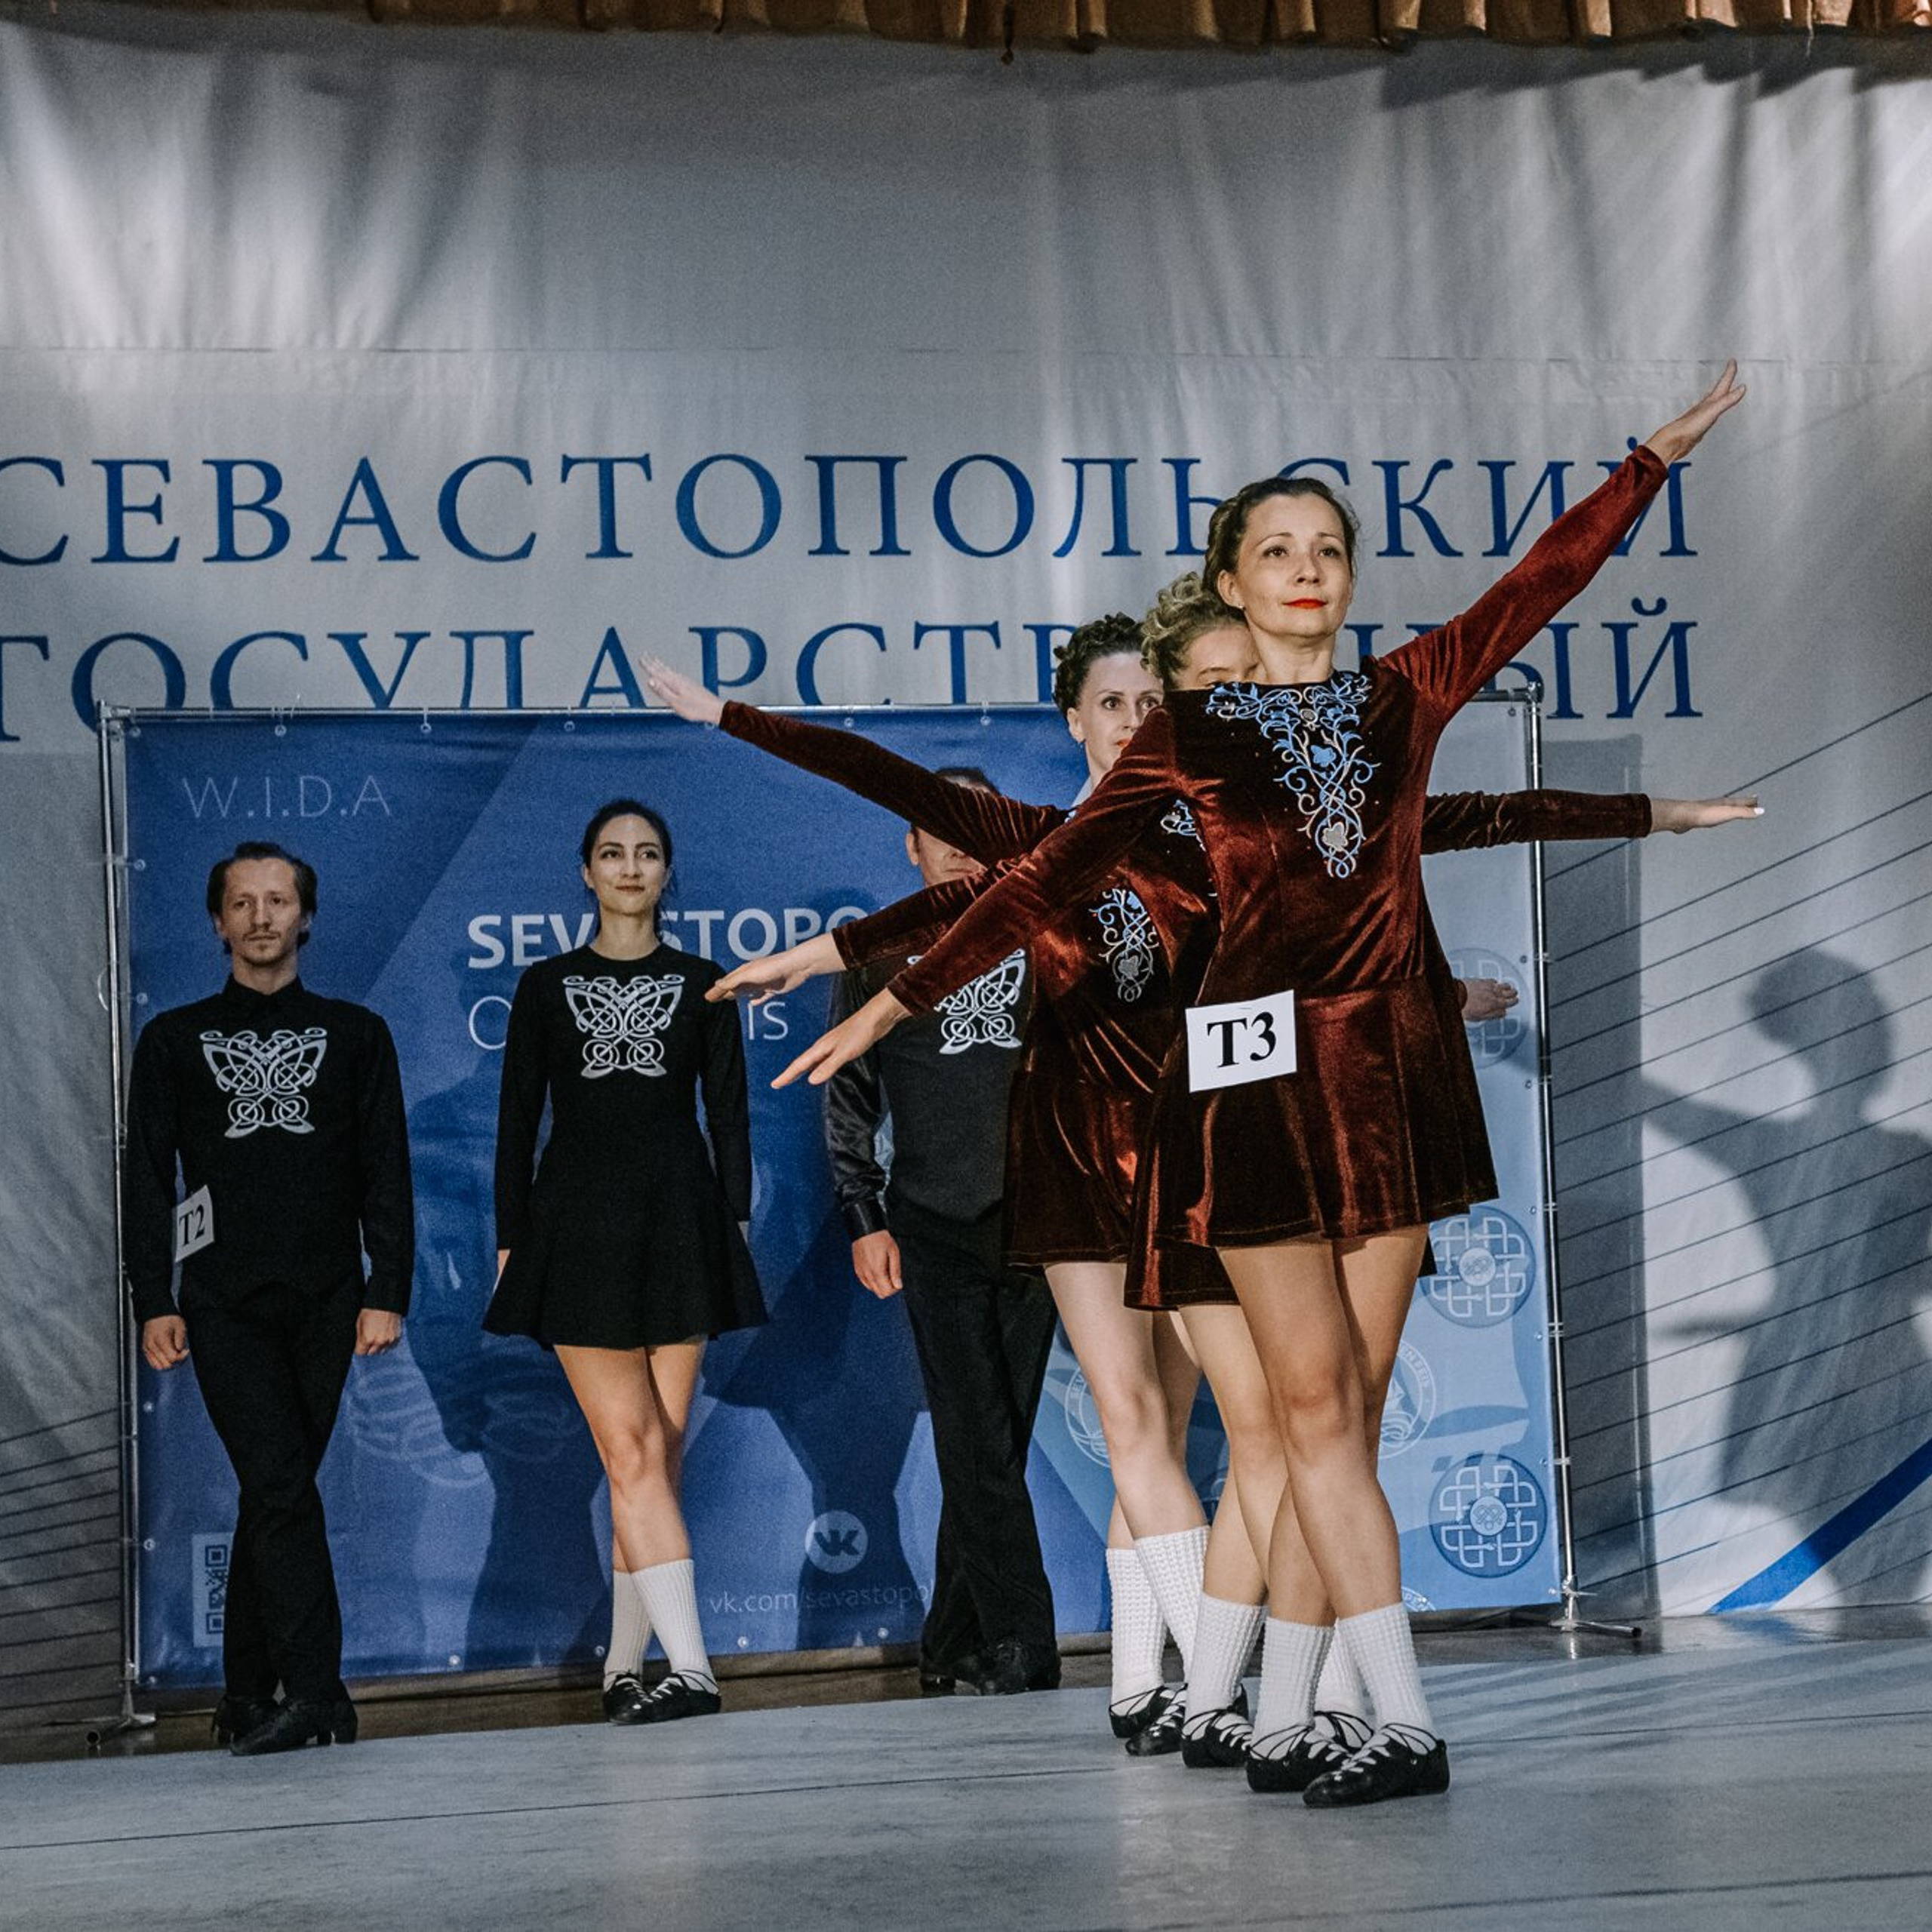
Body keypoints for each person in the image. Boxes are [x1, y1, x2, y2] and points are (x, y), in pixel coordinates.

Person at [771, 367, 1749, 1804]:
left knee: (1343, 1407)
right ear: (1232, 576)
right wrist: (889, 1005)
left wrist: (1647, 463)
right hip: (1248, 1095)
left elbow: (1542, 583)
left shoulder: (1405, 692)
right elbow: (1048, 875)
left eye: (1329, 550)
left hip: (1388, 1078)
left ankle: (1338, 1714)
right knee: (1301, 1422)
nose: (1307, 571)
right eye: (1277, 551)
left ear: (1351, 581)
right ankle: (1352, 1711)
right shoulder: (1186, 737)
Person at [124, 841, 413, 1756]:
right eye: (241, 902)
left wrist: (387, 1288)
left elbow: (385, 1172)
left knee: (271, 1491)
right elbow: (148, 1177)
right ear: (217, 922)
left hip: (331, 1296)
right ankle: (321, 1692)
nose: (259, 916)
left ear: (305, 917)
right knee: (281, 1484)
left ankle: (247, 1691)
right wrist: (152, 1297)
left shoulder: (356, 1032)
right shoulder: (171, 1038)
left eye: (277, 900)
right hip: (220, 1300)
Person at [486, 800, 764, 1724]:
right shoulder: (543, 985)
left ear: (666, 871)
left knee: (655, 1462)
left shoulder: (704, 983)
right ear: (586, 870)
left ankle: (622, 1664)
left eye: (648, 853)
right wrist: (509, 1238)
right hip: (575, 1229)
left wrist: (731, 1222)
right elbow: (517, 1121)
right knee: (630, 1449)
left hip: (680, 1226)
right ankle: (692, 1667)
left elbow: (729, 1117)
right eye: (612, 852)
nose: (630, 867)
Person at [824, 771, 1063, 1697]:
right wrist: (863, 1214)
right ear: (911, 846)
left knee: (995, 1441)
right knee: (974, 1433)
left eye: (977, 826)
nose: (960, 843)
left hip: (1041, 1221)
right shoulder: (878, 952)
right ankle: (1022, 1640)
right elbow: (847, 1094)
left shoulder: (1045, 932)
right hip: (928, 1221)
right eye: (939, 827)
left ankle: (949, 1642)